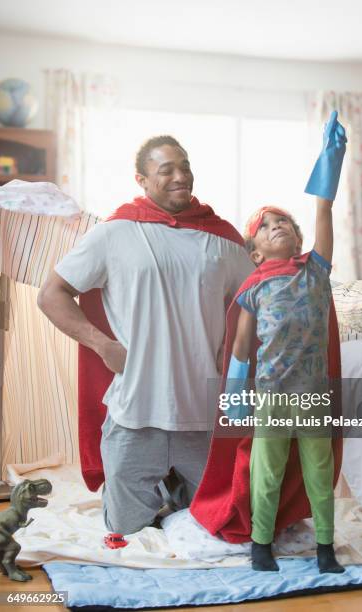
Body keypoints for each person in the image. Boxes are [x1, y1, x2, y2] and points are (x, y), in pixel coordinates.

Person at [37, 135, 253, 535]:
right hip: (135, 414)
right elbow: (52, 294)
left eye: (184, 166)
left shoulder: (222, 239)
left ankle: (170, 496)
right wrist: (102, 345)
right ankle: (153, 496)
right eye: (166, 169)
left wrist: (232, 350)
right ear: (142, 179)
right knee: (126, 533)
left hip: (202, 416)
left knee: (219, 529)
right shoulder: (114, 233)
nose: (180, 175)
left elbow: (254, 302)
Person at [225, 111, 347, 572]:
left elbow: (323, 210)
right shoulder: (254, 286)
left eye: (284, 221)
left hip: (313, 393)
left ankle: (326, 547)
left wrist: (330, 160)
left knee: (319, 471)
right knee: (267, 470)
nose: (277, 224)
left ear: (296, 239)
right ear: (255, 252)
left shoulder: (315, 271)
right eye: (266, 223)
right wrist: (236, 398)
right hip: (271, 396)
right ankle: (260, 544)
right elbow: (241, 347)